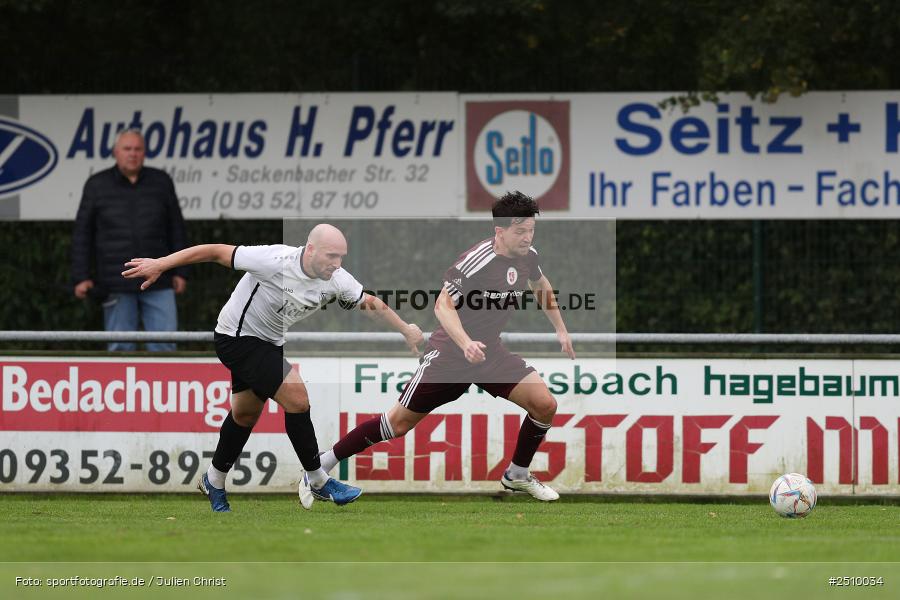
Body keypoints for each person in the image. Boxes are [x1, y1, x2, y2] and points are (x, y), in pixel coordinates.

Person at [122, 224, 424, 512]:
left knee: (245, 414)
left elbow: (368, 302)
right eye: (332, 256)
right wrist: (161, 263)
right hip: (236, 338)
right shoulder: (274, 260)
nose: (337, 263)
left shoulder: (337, 278)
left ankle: (213, 480)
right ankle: (318, 479)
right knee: (297, 398)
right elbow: (214, 250)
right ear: (310, 249)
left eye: (341, 256)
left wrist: (405, 329)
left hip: (269, 343)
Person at [318, 191, 575, 501]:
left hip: (489, 353)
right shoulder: (475, 261)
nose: (527, 237)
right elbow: (442, 306)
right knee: (396, 425)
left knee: (545, 405)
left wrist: (560, 329)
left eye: (531, 230)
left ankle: (517, 474)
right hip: (449, 356)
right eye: (520, 231)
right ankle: (322, 464)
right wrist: (465, 343)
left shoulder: (528, 255)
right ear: (500, 231)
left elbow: (540, 283)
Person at [72, 128, 189, 352]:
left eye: (137, 149)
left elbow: (176, 227)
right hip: (115, 281)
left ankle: (163, 388)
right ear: (115, 152)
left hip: (159, 279)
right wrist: (81, 276)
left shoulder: (161, 181)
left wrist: (180, 271)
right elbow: (82, 234)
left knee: (165, 347)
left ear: (144, 153)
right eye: (127, 148)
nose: (132, 153)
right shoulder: (97, 185)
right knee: (119, 348)